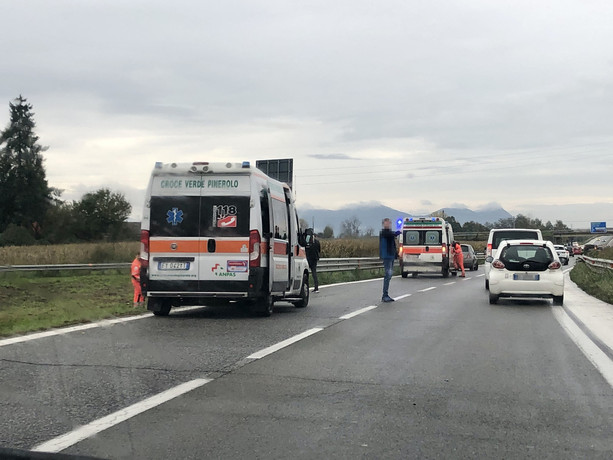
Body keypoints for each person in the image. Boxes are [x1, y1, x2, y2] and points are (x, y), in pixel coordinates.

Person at [379, 218, 400, 302]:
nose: (388, 224)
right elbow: (392, 234)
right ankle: (385, 295)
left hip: (390, 256)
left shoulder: (390, 233)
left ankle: (386, 294)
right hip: (386, 256)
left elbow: (393, 244)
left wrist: (396, 254)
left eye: (389, 223)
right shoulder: (384, 233)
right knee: (388, 274)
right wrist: (398, 231)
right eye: (386, 223)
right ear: (383, 224)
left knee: (389, 275)